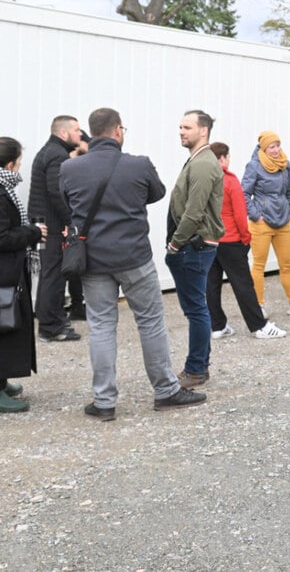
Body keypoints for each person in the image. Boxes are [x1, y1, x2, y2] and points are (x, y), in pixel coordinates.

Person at [61, 108, 207, 420]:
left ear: (92, 132)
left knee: (101, 326)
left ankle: (104, 402)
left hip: (94, 259)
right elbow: (156, 193)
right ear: (117, 131)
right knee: (150, 322)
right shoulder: (138, 165)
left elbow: (68, 201)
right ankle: (166, 391)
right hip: (134, 257)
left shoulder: (70, 169)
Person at [166, 109, 224, 389]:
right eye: (180, 126)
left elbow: (194, 211)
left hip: (194, 246)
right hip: (192, 245)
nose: (181, 131)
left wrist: (176, 243)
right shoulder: (197, 160)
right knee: (197, 308)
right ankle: (199, 366)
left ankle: (196, 369)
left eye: (187, 127)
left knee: (197, 310)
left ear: (204, 131)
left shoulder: (202, 164)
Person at [206, 142, 286, 340]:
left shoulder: (203, 180)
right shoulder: (229, 180)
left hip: (208, 240)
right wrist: (245, 237)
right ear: (222, 158)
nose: (229, 160)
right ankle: (259, 325)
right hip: (231, 239)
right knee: (243, 284)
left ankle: (218, 326)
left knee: (212, 284)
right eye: (228, 156)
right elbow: (240, 214)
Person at [242, 130, 290, 318]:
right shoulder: (254, 166)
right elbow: (244, 195)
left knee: (286, 265)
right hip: (262, 224)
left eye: (277, 145)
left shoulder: (285, 163)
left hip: (283, 222)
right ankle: (258, 305)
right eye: (271, 147)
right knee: (259, 265)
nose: (275, 150)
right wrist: (256, 216)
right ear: (264, 148)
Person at [0, 137, 46, 413]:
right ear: (9, 164)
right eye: (18, 163)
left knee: (8, 325)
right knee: (3, 325)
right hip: (3, 272)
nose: (19, 169)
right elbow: (2, 236)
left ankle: (3, 380)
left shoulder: (4, 189)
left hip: (9, 271)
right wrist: (33, 233)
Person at [28, 115, 83, 343]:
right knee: (54, 275)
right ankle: (51, 328)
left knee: (49, 274)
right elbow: (55, 191)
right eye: (77, 130)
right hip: (51, 226)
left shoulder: (49, 151)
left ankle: (48, 320)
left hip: (45, 223)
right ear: (63, 133)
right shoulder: (57, 154)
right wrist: (70, 221)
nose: (80, 135)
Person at [64, 130, 90, 322]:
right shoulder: (68, 165)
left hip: (82, 222)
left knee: (79, 265)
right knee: (74, 264)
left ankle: (78, 305)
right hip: (72, 222)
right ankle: (76, 305)